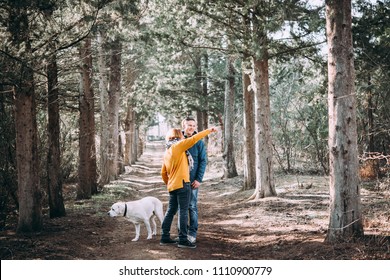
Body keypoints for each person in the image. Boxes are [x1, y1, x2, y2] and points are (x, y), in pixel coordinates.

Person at [160, 127, 217, 249]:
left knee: (171, 210)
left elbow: (163, 173)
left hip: (173, 185)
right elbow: (194, 139)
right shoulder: (178, 146)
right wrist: (208, 131)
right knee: (183, 211)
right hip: (182, 184)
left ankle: (164, 237)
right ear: (178, 136)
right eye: (181, 135)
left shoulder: (167, 151)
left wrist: (169, 183)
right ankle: (183, 239)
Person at [178, 117, 207, 244]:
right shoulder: (178, 140)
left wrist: (199, 179)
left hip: (192, 181)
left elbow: (203, 161)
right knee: (180, 208)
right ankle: (182, 233)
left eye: (194, 125)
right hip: (179, 180)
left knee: (192, 206)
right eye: (189, 125)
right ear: (183, 126)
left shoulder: (199, 142)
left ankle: (192, 233)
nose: (191, 127)